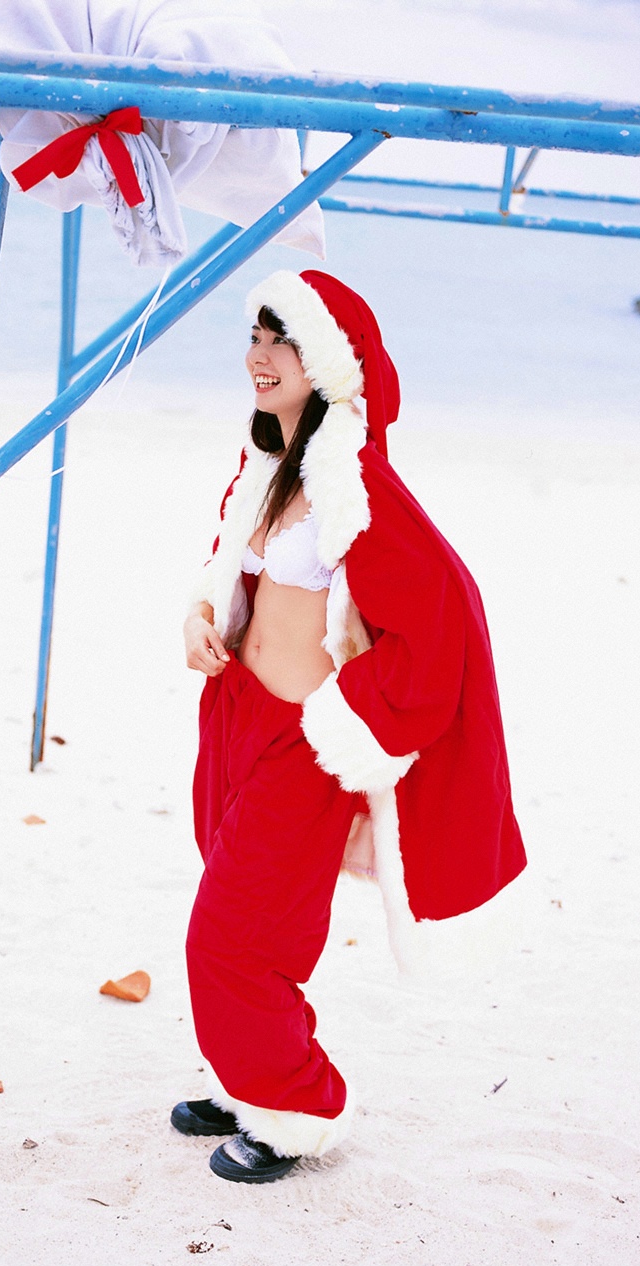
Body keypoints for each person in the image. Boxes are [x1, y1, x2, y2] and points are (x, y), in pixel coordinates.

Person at [173, 269, 527, 1184]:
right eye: (254, 337)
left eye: (281, 342)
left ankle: (299, 1106)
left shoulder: (354, 481)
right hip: (238, 717)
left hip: (304, 745)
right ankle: (244, 1076)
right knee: (233, 903)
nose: (258, 358)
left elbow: (444, 616)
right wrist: (202, 619)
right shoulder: (268, 465)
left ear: (326, 362)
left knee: (236, 937)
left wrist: (347, 719)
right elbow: (233, 573)